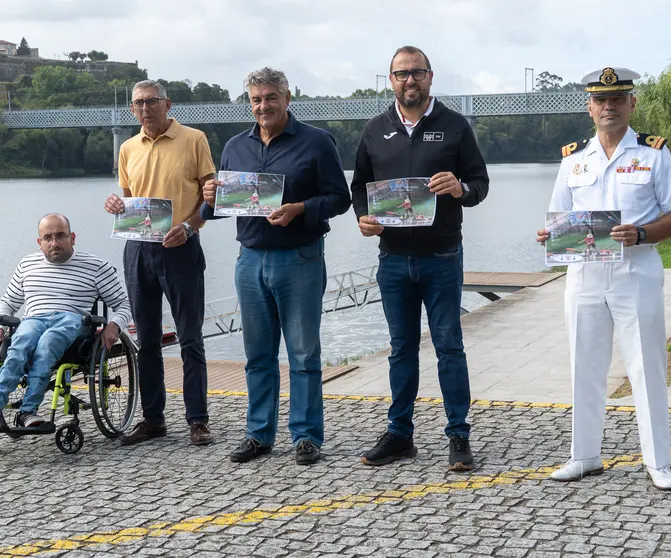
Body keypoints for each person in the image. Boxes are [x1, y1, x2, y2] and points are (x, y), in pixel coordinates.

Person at [535, 67, 671, 491]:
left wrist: (641, 233)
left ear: (632, 104)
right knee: (583, 367)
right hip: (584, 274)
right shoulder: (573, 159)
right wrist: (549, 235)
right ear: (589, 107)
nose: (610, 107)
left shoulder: (653, 153)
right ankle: (584, 456)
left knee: (646, 366)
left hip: (635, 270)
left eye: (618, 99)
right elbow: (559, 219)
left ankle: (658, 461)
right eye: (601, 101)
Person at [201, 67, 351, 465]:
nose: (263, 106)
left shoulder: (317, 142)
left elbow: (341, 198)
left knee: (303, 354)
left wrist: (300, 209)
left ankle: (306, 436)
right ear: (249, 102)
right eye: (256, 99)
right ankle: (259, 435)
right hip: (249, 260)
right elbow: (218, 208)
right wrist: (209, 196)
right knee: (258, 355)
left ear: (287, 97)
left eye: (270, 97)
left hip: (299, 257)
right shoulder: (235, 146)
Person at [351, 46, 490, 471]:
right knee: (401, 350)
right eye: (400, 74)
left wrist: (459, 188)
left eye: (416, 73)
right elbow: (360, 188)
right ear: (390, 80)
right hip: (393, 259)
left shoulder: (454, 126)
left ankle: (459, 436)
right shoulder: (375, 129)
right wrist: (363, 218)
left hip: (441, 256)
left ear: (430, 77)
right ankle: (400, 435)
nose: (409, 80)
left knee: (449, 347)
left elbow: (480, 184)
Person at [105, 79, 216, 447]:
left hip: (181, 247)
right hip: (138, 249)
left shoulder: (194, 139)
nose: (145, 108)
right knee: (146, 340)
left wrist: (189, 226)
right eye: (138, 104)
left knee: (189, 338)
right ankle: (153, 419)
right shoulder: (127, 148)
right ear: (132, 110)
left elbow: (210, 198)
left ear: (168, 104)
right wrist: (116, 206)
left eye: (152, 101)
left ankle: (197, 420)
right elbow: (128, 200)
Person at [0, 214, 132, 430]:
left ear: (72, 237)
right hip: (34, 319)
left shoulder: (97, 267)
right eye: (48, 238)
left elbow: (124, 305)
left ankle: (28, 411)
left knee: (48, 343)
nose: (55, 243)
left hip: (72, 320)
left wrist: (114, 326)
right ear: (39, 242)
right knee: (22, 340)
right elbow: (7, 302)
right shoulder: (27, 264)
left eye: (61, 236)